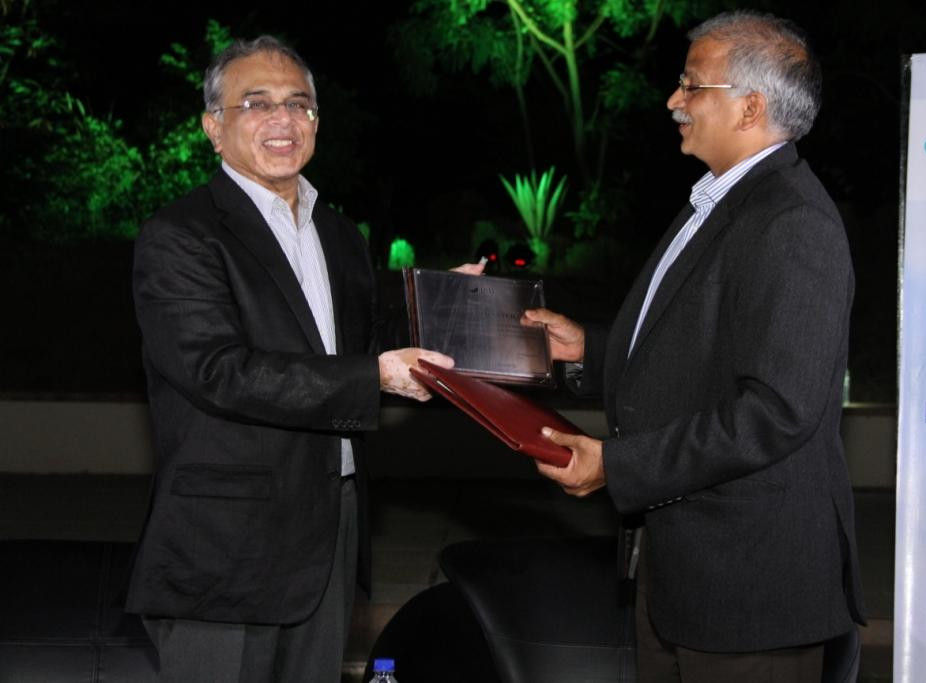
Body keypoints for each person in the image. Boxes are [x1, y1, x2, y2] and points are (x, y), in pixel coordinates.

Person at [525, 10, 865, 682]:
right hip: (684, 575)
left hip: (751, 593)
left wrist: (619, 467)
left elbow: (773, 412)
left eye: (691, 86)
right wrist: (588, 354)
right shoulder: (723, 200)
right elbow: (697, 352)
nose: (673, 101)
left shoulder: (792, 222)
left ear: (751, 106)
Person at [126, 36, 479, 682]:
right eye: (255, 104)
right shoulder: (181, 235)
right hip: (226, 546)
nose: (282, 120)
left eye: (299, 104)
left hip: (332, 526)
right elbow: (217, 371)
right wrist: (373, 375)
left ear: (317, 120)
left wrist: (442, 304)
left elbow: (352, 341)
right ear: (213, 126)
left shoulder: (338, 233)